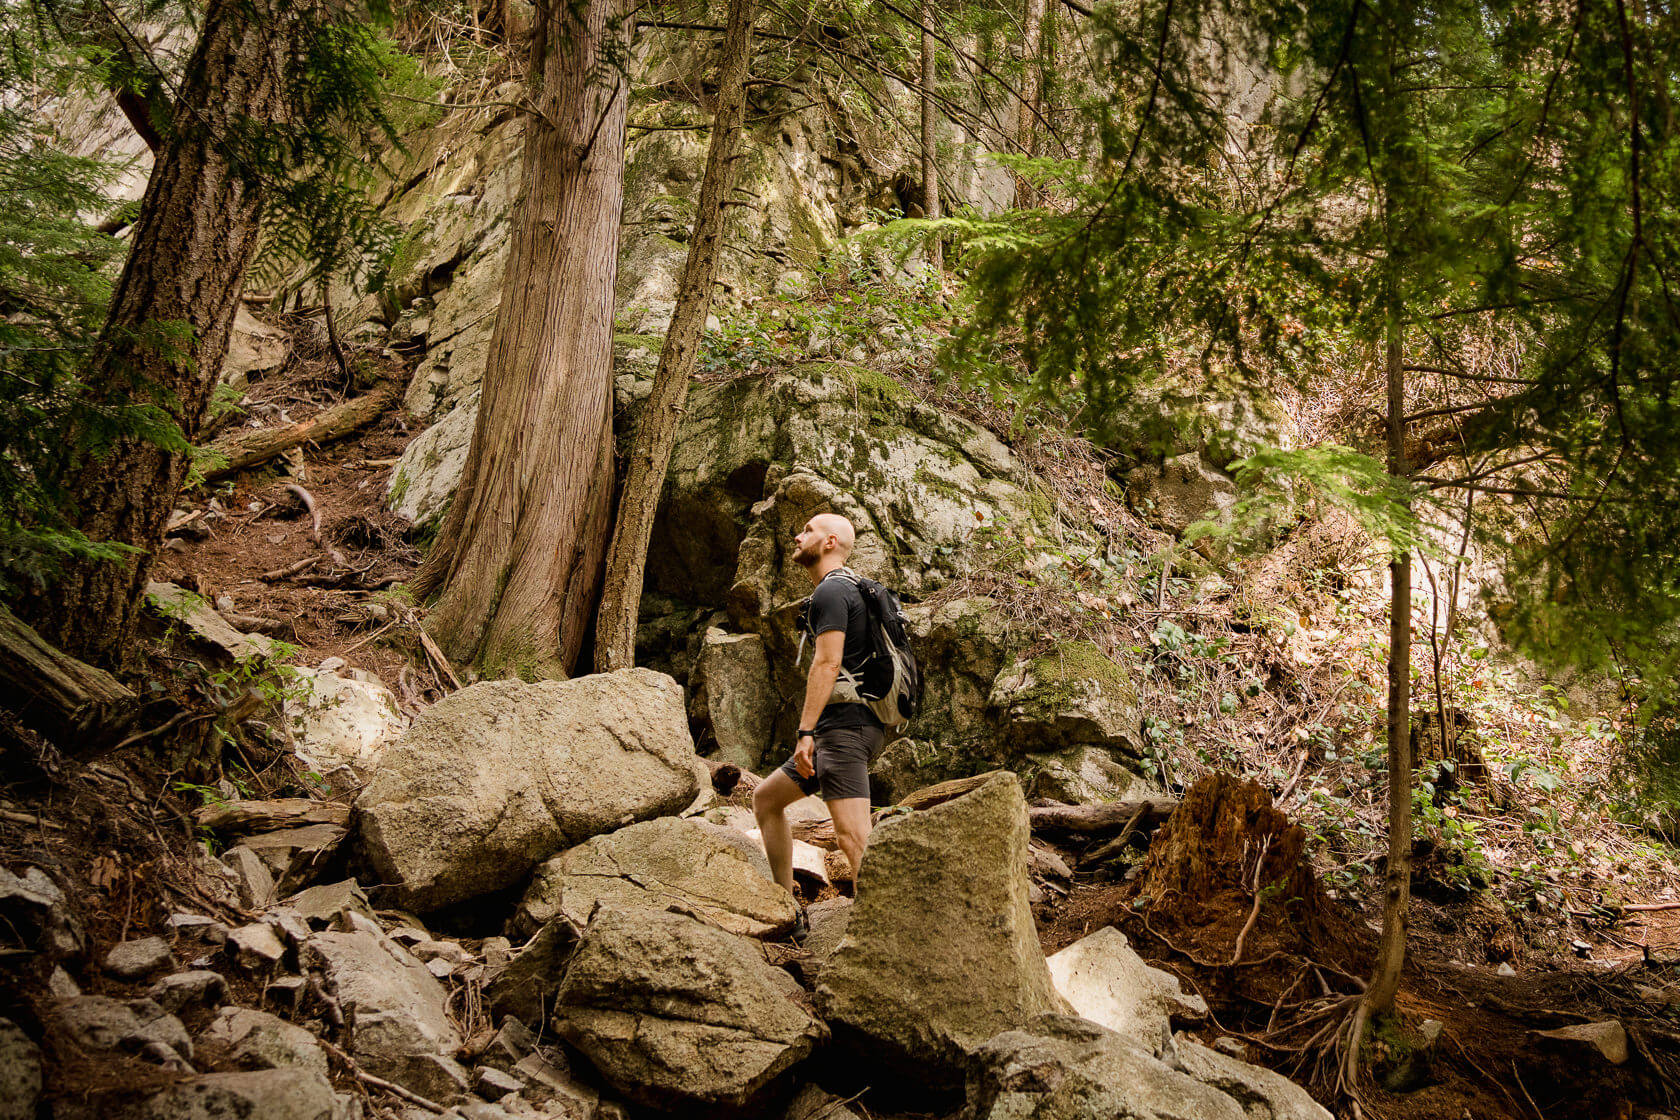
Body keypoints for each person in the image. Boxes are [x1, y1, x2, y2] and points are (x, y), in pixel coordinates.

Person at [752, 512, 884, 922]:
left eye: (807, 530)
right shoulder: (855, 589)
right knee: (766, 800)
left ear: (829, 542)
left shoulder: (832, 592)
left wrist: (805, 732)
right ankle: (785, 908)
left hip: (843, 731)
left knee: (852, 837)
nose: (797, 535)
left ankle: (877, 934)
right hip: (846, 730)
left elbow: (827, 664)